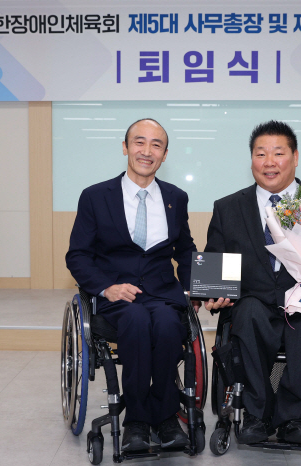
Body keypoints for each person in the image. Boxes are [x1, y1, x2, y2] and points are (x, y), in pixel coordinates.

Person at [204, 120, 301, 444]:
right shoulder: (228, 207)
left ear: (295, 157)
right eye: (260, 154)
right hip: (253, 300)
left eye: (278, 153)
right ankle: (256, 415)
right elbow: (215, 259)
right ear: (251, 160)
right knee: (247, 318)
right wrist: (212, 294)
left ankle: (294, 417)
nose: (269, 162)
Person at [66, 118, 200, 451]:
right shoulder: (96, 197)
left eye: (156, 145)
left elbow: (185, 251)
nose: (147, 151)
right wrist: (106, 287)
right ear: (125, 148)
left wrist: (200, 289)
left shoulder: (175, 197)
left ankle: (166, 417)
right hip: (116, 296)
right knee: (137, 321)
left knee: (170, 324)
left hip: (162, 294)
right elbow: (78, 256)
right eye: (139, 142)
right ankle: (138, 422)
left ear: (165, 155)